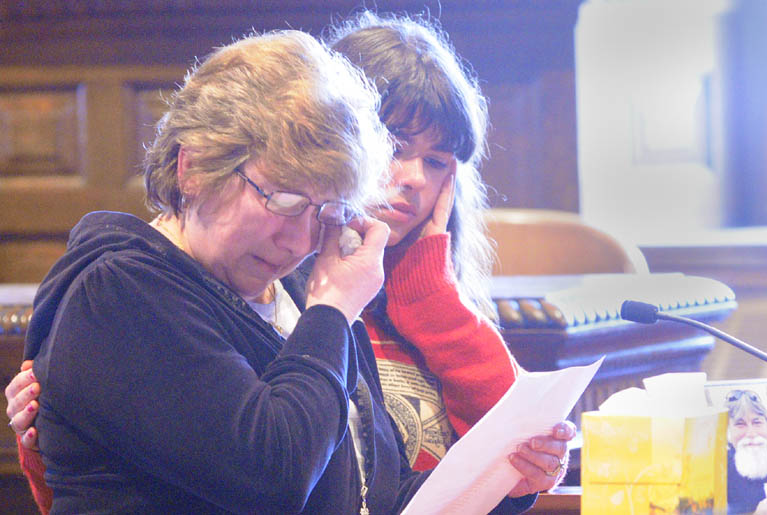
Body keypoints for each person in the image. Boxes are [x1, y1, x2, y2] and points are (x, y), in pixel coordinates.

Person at [4, 27, 573, 514]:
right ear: (194, 167)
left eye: (325, 214)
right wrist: (329, 312)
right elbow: (271, 479)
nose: (301, 241)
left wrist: (505, 479)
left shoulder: (303, 294)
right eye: (282, 203)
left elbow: (375, 495)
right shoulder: (120, 290)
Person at [325, 11, 521, 471]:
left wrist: (432, 300)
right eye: (395, 148)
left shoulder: (431, 293)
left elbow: (516, 454)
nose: (413, 178)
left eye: (435, 162)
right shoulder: (280, 286)